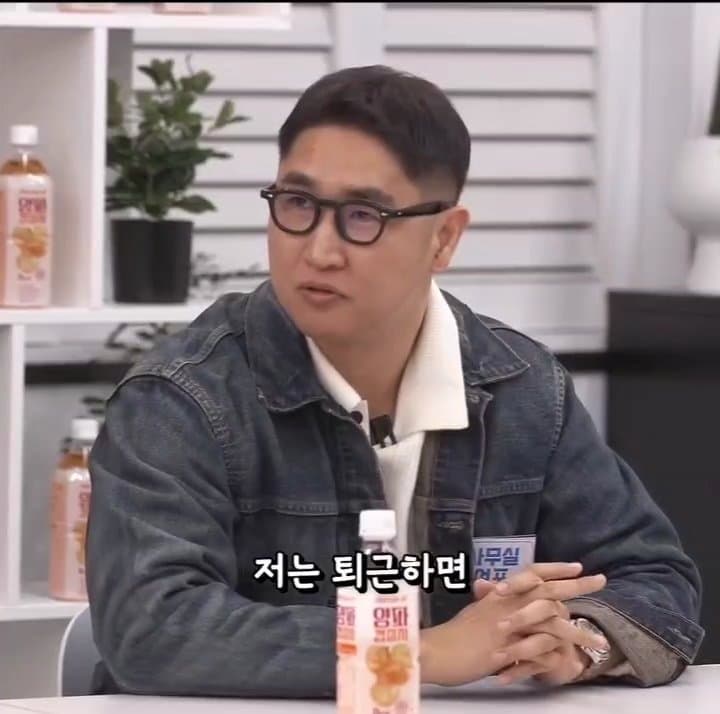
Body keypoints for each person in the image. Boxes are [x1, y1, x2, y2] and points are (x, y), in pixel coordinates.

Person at [86, 65, 704, 697]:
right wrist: (415, 651)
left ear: (444, 238)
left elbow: (656, 580)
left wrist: (575, 642)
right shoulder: (183, 399)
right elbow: (150, 628)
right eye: (297, 204)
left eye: (364, 216)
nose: (319, 250)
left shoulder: (524, 390)